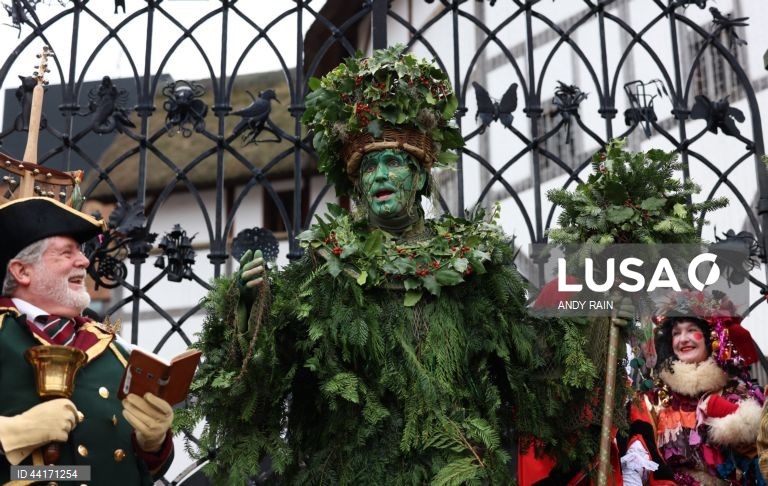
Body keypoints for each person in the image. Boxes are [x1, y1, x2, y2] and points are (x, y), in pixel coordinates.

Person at [182, 45, 611, 484]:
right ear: (359, 184)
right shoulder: (322, 265)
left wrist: (592, 293)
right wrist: (253, 312)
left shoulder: (472, 263)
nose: (381, 176)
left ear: (422, 175)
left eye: (393, 163)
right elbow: (264, 384)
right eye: (369, 168)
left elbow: (536, 370)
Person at [0, 196, 175, 485]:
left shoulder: (112, 348)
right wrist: (12, 433)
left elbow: (142, 470)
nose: (83, 260)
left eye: (80, 252)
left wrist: (154, 445)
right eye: (66, 253)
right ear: (22, 271)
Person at [620, 290, 764, 485]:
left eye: (691, 330)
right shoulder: (654, 401)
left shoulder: (739, 393)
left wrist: (737, 421)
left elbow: (760, 458)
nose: (683, 339)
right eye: (676, 333)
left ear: (710, 337)